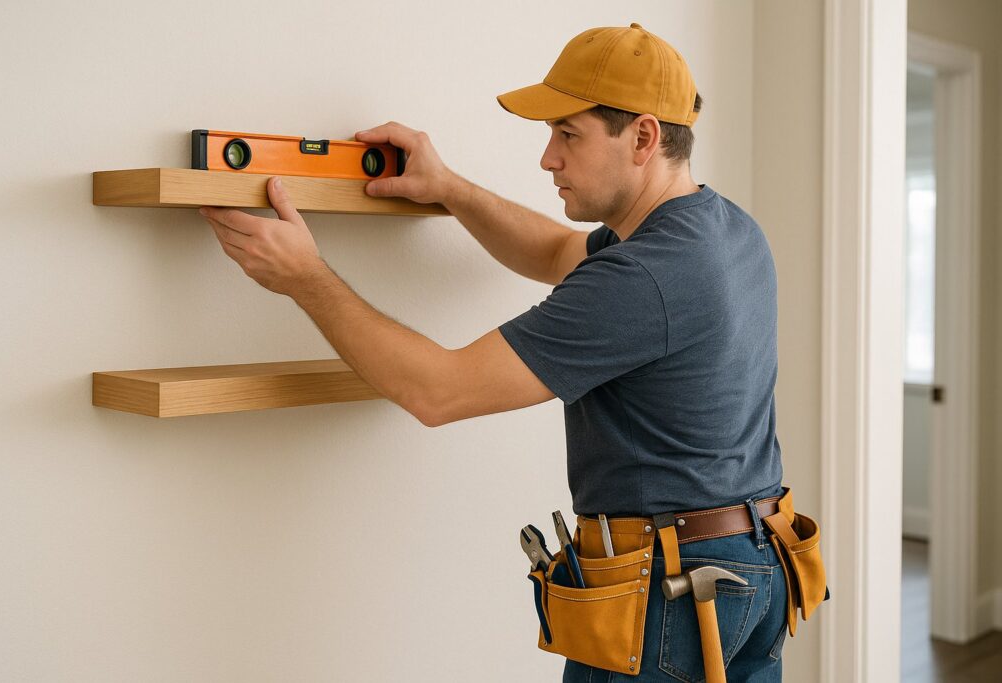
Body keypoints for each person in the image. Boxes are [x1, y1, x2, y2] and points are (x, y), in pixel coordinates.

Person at [201, 22, 789, 682]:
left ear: (643, 138)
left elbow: (439, 391)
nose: (548, 158)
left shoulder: (643, 278)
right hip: (752, 567)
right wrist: (449, 186)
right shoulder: (723, 231)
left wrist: (305, 277)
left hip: (671, 594)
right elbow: (556, 251)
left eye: (568, 134)